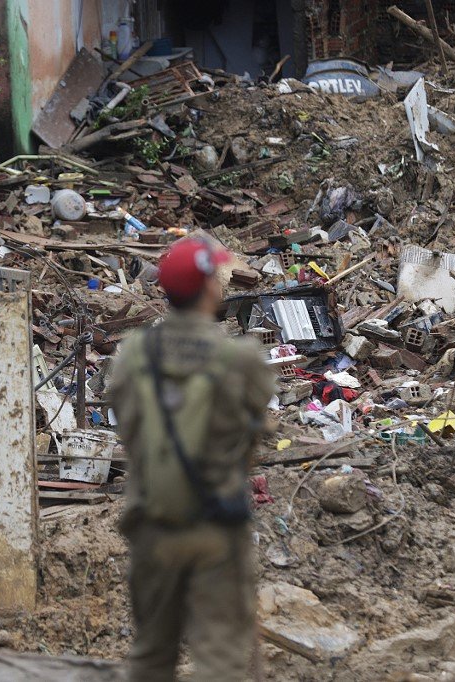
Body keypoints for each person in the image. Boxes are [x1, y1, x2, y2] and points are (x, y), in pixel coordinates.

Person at [108, 237, 276, 681]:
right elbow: (256, 432)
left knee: (150, 654)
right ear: (207, 289)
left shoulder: (133, 355)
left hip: (152, 524)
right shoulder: (240, 359)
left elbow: (127, 429)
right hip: (215, 528)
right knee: (219, 655)